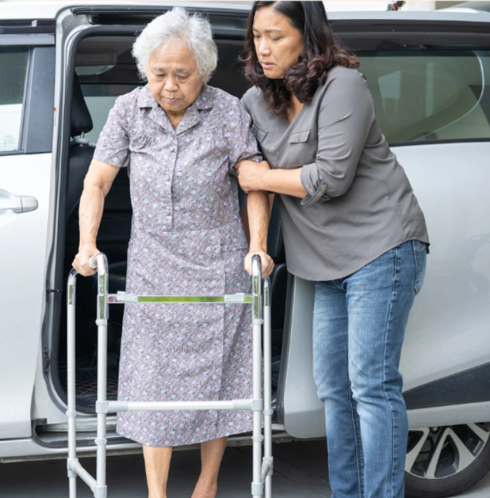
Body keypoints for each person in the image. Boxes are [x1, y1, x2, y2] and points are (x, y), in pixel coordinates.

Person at [72, 8, 273, 498]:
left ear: (202, 70)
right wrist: (87, 244)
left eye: (181, 75)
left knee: (218, 384)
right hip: (153, 269)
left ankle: (206, 485)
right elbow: (97, 181)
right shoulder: (127, 110)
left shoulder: (227, 112)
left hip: (218, 268)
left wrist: (258, 249)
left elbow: (255, 185)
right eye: (158, 73)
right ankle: (157, 494)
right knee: (153, 389)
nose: (168, 85)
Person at [236, 2, 430, 497]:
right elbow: (247, 174)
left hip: (382, 246)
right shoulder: (255, 103)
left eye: (276, 36)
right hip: (323, 265)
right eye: (257, 35)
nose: (263, 47)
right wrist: (258, 241)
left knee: (372, 385)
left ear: (307, 35)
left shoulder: (343, 84)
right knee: (335, 392)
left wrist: (260, 175)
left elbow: (332, 178)